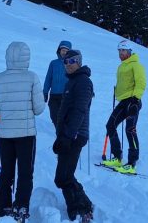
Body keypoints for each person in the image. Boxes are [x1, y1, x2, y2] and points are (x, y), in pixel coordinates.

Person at [0, 42, 45, 220]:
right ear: (26, 57)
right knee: (25, 172)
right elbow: (38, 109)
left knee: (6, 172)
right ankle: (21, 207)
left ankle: (2, 208)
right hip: (26, 134)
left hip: (5, 134)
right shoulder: (32, 78)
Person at [53, 49, 94, 222]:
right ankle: (81, 205)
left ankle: (82, 208)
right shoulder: (73, 81)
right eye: (66, 62)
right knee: (64, 176)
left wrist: (68, 136)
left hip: (75, 135)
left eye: (72, 61)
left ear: (79, 61)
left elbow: (80, 110)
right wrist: (61, 134)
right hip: (68, 134)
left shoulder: (83, 81)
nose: (68, 65)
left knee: (63, 177)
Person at [101, 40, 146, 174]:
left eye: (123, 50)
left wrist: (135, 99)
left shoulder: (136, 65)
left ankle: (132, 163)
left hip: (133, 101)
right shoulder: (121, 66)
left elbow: (141, 83)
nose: (121, 53)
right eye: (119, 51)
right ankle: (117, 156)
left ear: (129, 51)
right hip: (123, 101)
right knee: (110, 125)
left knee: (130, 129)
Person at [43, 41, 72, 129]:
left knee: (64, 115)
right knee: (53, 115)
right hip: (53, 95)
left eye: (66, 50)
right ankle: (60, 131)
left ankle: (63, 133)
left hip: (65, 95)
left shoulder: (71, 62)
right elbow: (48, 78)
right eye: (62, 50)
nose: (64, 52)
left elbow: (78, 77)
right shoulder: (53, 63)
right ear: (59, 50)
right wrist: (45, 92)